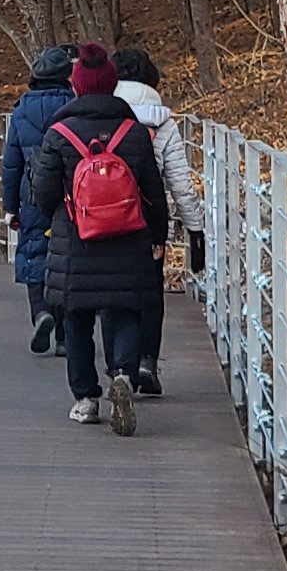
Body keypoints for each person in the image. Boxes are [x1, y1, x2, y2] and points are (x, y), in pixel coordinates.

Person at [24, 45, 171, 434]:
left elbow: (42, 196)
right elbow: (153, 191)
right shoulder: (134, 132)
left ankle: (86, 399)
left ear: (76, 87)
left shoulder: (59, 134)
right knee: (125, 311)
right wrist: (159, 235)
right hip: (128, 239)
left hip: (76, 243)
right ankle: (122, 374)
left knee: (76, 319)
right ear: (111, 86)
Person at [106, 48, 185, 399]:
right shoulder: (163, 121)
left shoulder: (106, 116)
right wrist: (194, 227)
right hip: (149, 217)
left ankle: (118, 367)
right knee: (151, 291)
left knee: (112, 292)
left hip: (107, 216)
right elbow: (179, 181)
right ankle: (147, 361)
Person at [1, 45, 76, 353]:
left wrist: (10, 206)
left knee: (34, 252)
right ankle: (64, 336)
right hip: (68, 195)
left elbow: (11, 164)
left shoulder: (21, 111)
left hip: (30, 194)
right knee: (66, 257)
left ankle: (41, 312)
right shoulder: (73, 106)